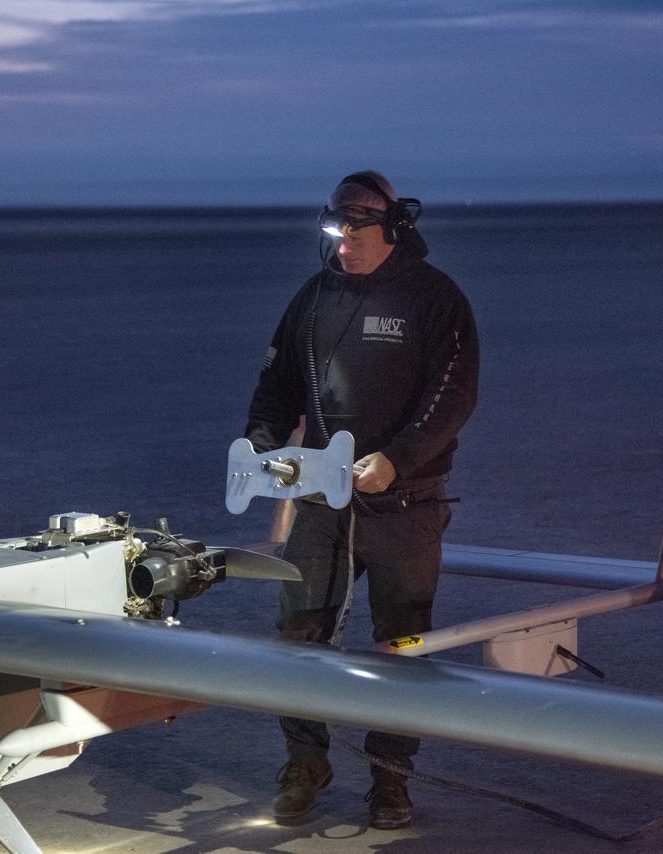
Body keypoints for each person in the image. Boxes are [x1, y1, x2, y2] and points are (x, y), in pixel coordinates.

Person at [244, 171, 479, 829]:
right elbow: (276, 388)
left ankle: (392, 779)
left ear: (393, 230)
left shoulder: (435, 300)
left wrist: (398, 459)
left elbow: (454, 396)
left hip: (407, 507)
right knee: (298, 636)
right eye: (334, 229)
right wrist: (261, 452)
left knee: (401, 648)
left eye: (356, 229)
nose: (343, 241)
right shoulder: (312, 300)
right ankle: (305, 764)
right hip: (322, 502)